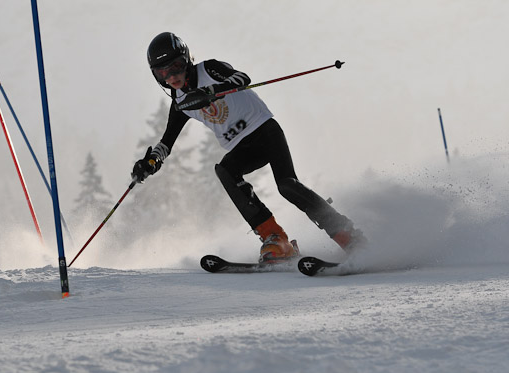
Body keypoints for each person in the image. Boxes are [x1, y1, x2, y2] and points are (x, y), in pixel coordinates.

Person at [132, 32, 366, 263]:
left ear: (187, 59)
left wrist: (212, 91)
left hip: (265, 130)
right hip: (243, 146)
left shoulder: (208, 69)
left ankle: (348, 235)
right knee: (225, 170)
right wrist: (150, 163)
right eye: (162, 72)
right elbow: (166, 143)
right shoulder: (180, 103)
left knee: (287, 185)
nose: (171, 76)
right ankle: (276, 239)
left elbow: (241, 78)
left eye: (175, 66)